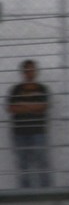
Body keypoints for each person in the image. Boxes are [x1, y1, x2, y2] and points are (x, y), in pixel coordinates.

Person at [8, 60, 51, 188]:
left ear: (36, 72)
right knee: (23, 164)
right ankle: (25, 193)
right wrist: (33, 106)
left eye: (32, 70)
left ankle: (46, 192)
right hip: (19, 133)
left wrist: (23, 105)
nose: (30, 73)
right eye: (27, 70)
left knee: (42, 163)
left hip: (38, 132)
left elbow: (43, 107)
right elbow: (12, 108)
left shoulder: (42, 89)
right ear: (23, 72)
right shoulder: (16, 89)